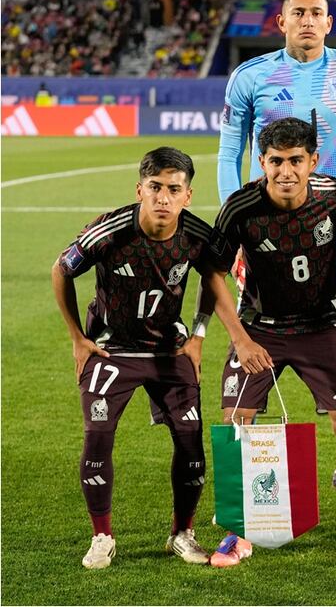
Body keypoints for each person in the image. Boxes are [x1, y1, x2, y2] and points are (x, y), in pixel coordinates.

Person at [207, 118, 336, 569]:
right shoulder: (241, 207)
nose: (286, 172)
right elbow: (213, 276)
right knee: (236, 421)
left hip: (320, 326)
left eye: (296, 161)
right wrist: (240, 340)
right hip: (259, 328)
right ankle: (238, 530)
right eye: (276, 162)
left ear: (313, 161)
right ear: (262, 162)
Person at [53, 147, 234, 569]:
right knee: (98, 437)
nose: (163, 198)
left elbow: (215, 275)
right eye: (155, 187)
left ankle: (182, 533)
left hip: (169, 350)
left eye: (173, 189)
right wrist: (78, 337)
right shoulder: (108, 231)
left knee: (190, 442)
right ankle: (102, 536)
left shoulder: (198, 236)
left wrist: (199, 333)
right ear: (140, 190)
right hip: (110, 349)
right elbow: (62, 269)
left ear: (188, 195)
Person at [216, 0, 336, 338]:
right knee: (258, 331)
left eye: (315, 14)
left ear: (328, 23)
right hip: (264, 221)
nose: (307, 21)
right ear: (282, 22)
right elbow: (229, 154)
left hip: (333, 220)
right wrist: (233, 227)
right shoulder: (250, 76)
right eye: (298, 13)